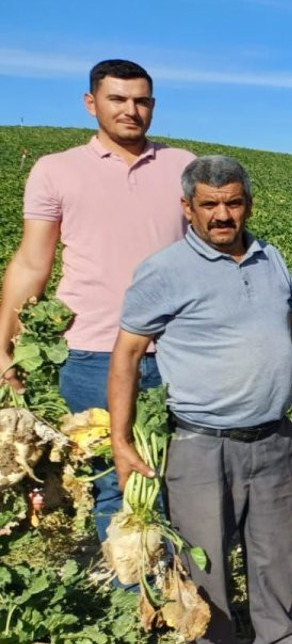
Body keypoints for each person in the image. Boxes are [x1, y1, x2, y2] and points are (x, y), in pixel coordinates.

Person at [106, 156, 292, 644]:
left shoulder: (270, 259)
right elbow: (127, 354)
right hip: (199, 440)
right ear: (187, 208)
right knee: (202, 552)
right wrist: (121, 442)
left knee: (277, 549)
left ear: (248, 205)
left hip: (273, 434)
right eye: (209, 204)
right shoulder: (164, 270)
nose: (222, 215)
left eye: (233, 203)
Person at [1, 59, 194, 547]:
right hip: (94, 354)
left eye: (142, 101)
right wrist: (4, 344)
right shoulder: (56, 170)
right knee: (115, 479)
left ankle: (182, 593)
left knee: (186, 479)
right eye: (117, 99)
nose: (131, 110)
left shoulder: (182, 166)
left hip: (181, 351)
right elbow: (30, 263)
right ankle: (134, 602)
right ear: (92, 104)